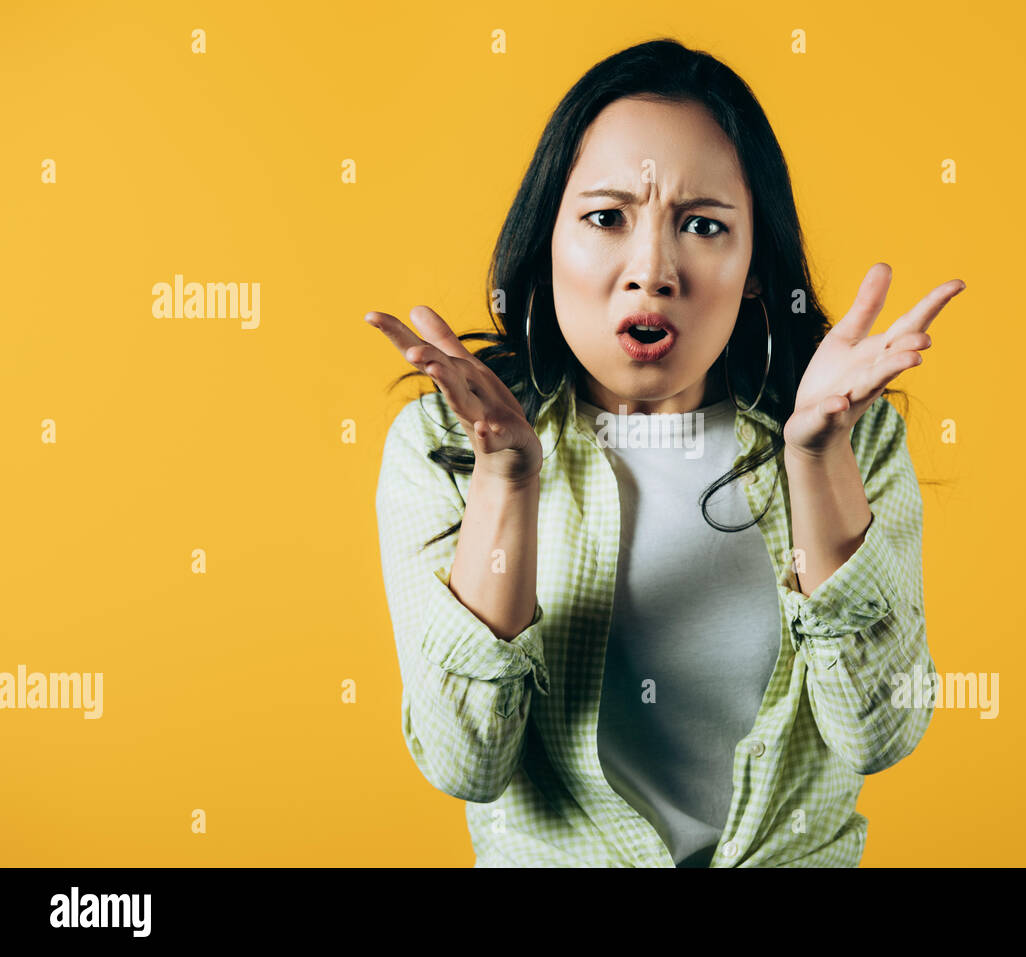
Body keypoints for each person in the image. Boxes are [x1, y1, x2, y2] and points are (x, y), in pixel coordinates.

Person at [365, 37, 965, 867]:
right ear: (549, 240)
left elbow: (879, 733)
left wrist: (819, 459)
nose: (652, 271)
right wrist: (507, 479)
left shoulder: (857, 438)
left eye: (703, 225)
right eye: (607, 218)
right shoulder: (444, 446)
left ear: (755, 265)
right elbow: (466, 762)